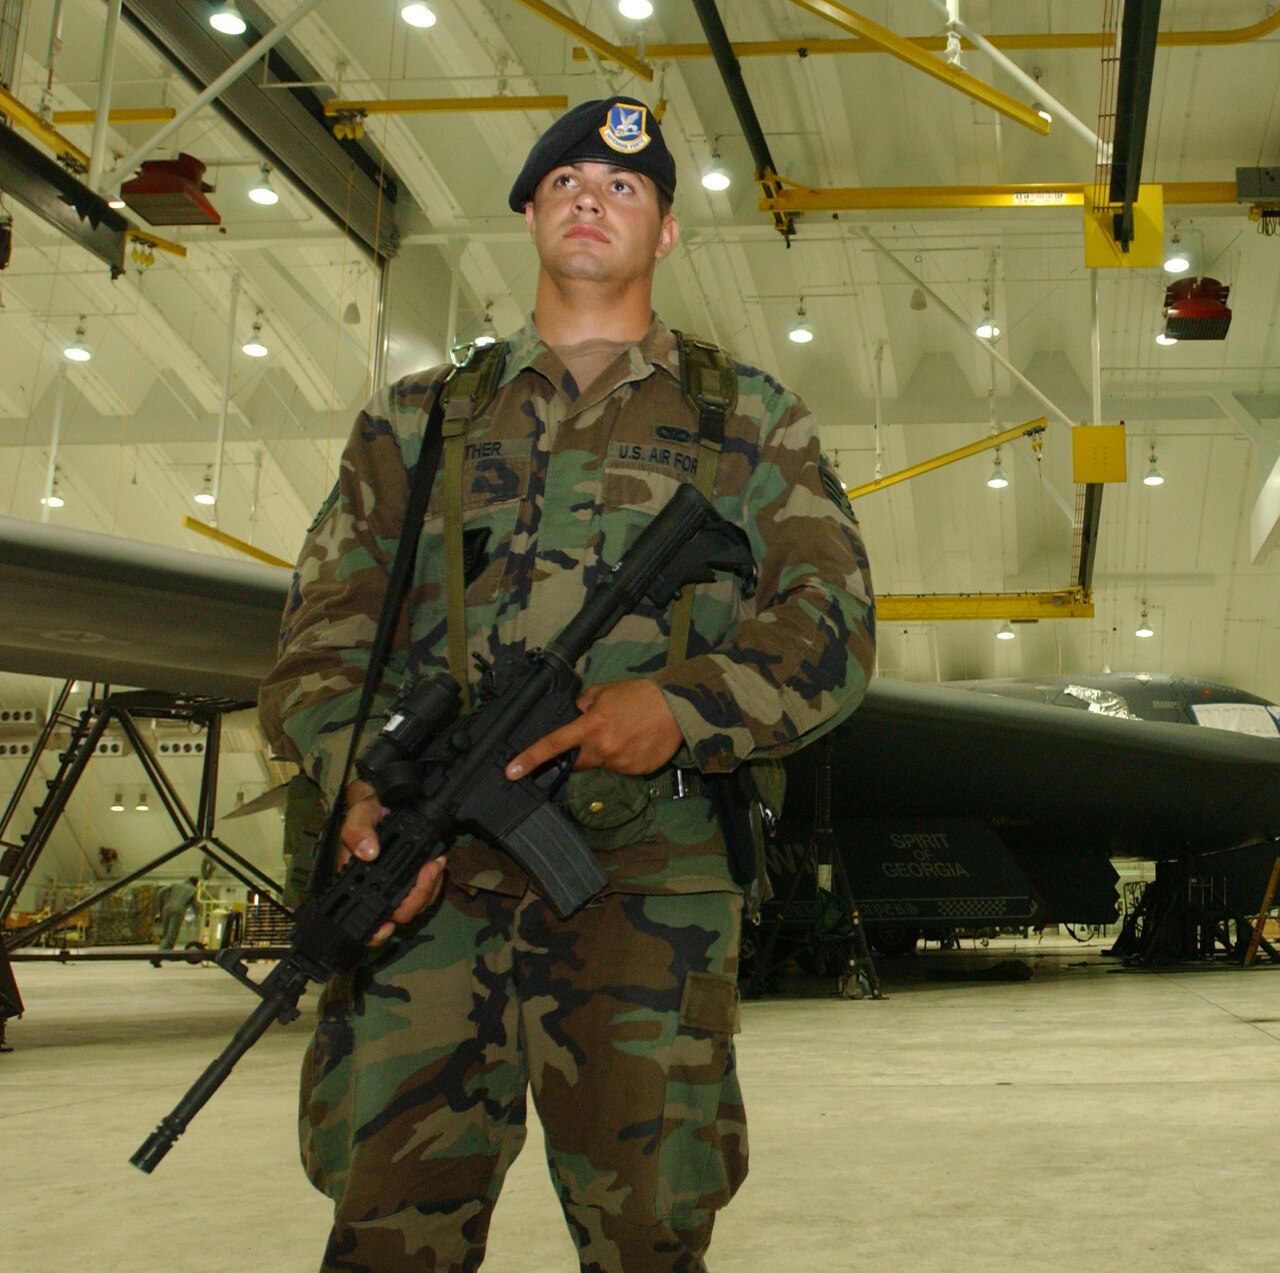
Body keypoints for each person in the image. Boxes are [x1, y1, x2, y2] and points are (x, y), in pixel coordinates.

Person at [258, 96, 874, 1272]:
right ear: (530, 213)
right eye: (566, 182)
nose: (592, 199)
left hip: (645, 886)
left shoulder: (744, 420)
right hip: (422, 885)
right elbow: (320, 641)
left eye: (625, 187)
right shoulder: (418, 421)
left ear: (668, 235)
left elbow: (833, 628)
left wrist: (679, 710)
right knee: (388, 1226)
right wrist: (356, 786)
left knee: (649, 1227)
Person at [154, 875, 198, 955]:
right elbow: (194, 905)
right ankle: (157, 957)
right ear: (195, 883)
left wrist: (160, 908)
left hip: (166, 909)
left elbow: (160, 892)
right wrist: (200, 915)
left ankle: (167, 954)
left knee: (166, 935)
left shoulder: (175, 885)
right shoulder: (193, 890)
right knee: (171, 937)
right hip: (178, 912)